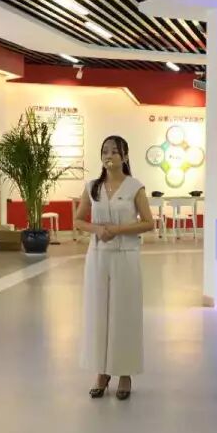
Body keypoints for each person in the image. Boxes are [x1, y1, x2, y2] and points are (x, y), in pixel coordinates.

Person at [75, 135, 154, 400]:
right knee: (98, 313)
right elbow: (78, 220)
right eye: (105, 151)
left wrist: (118, 229)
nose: (109, 155)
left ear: (125, 156)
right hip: (98, 257)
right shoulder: (92, 187)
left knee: (124, 315)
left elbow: (148, 222)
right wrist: (97, 229)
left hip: (125, 256)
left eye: (114, 151)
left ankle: (124, 373)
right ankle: (102, 371)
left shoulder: (135, 187)